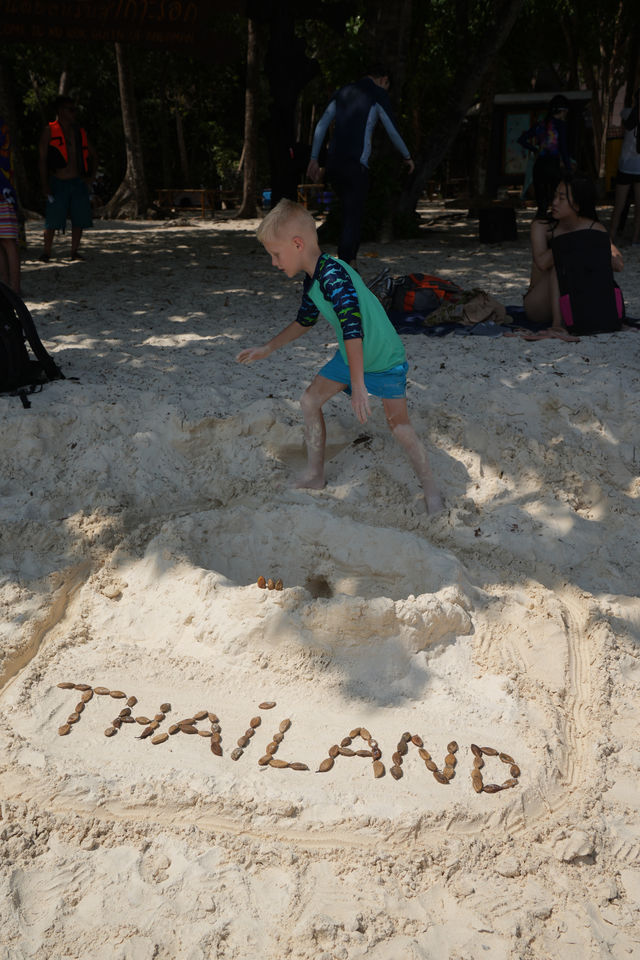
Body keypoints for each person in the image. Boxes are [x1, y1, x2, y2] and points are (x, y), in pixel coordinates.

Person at [235, 198, 443, 514]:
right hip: (351, 357)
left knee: (399, 426)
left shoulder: (333, 274)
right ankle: (315, 475)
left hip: (382, 358)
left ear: (297, 243)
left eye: (276, 255)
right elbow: (304, 320)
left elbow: (352, 326)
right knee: (309, 401)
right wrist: (269, 347)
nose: (275, 263)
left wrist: (359, 385)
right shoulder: (313, 280)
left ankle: (431, 491)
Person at [305, 65, 414, 267]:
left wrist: (314, 158)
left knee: (347, 210)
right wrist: (407, 156)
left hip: (333, 164)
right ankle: (347, 263)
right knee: (353, 215)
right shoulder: (377, 94)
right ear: (384, 80)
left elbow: (321, 125)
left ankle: (347, 260)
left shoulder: (342, 92)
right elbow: (392, 130)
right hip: (356, 165)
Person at [523, 177, 624, 337]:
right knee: (560, 263)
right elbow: (542, 263)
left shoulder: (593, 227)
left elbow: (618, 264)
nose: (554, 202)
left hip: (577, 301)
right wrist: (575, 241)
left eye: (561, 198)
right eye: (555, 196)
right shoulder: (542, 226)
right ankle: (558, 324)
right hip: (540, 303)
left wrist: (588, 243)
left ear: (577, 205)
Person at [38, 95, 97, 261]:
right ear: (60, 111)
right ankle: (46, 252)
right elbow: (42, 160)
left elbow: (93, 154)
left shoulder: (79, 132)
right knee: (52, 219)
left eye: (75, 109)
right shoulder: (49, 131)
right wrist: (44, 184)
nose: (74, 113)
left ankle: (74, 251)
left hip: (78, 182)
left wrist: (91, 177)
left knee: (80, 218)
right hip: (57, 181)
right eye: (70, 109)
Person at [518, 94, 572, 218]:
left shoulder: (540, 124)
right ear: (562, 110)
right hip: (553, 165)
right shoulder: (561, 125)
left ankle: (538, 231)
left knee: (541, 206)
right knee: (557, 202)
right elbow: (563, 148)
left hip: (539, 166)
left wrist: (535, 149)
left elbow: (521, 140)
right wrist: (568, 168)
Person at [609, 88, 640, 245]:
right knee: (639, 208)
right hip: (638, 167)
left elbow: (622, 114)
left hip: (625, 165)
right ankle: (635, 238)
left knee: (619, 205)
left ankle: (611, 236)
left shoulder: (627, 113)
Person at [0, 116, 20, 293]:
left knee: (7, 241)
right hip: (4, 189)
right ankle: (7, 288)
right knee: (5, 242)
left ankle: (14, 288)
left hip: (2, 190)